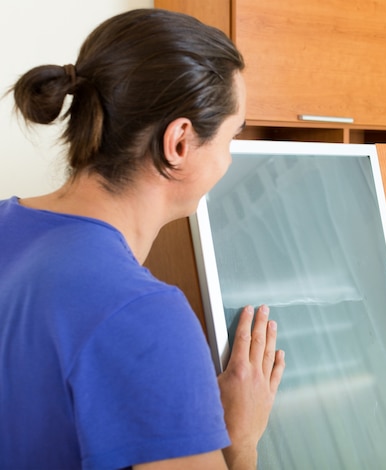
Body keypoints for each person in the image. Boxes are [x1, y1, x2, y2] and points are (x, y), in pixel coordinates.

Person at [0, 8, 285, 470]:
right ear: (180, 143)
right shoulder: (144, 315)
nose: (230, 160)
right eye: (232, 136)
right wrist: (241, 442)